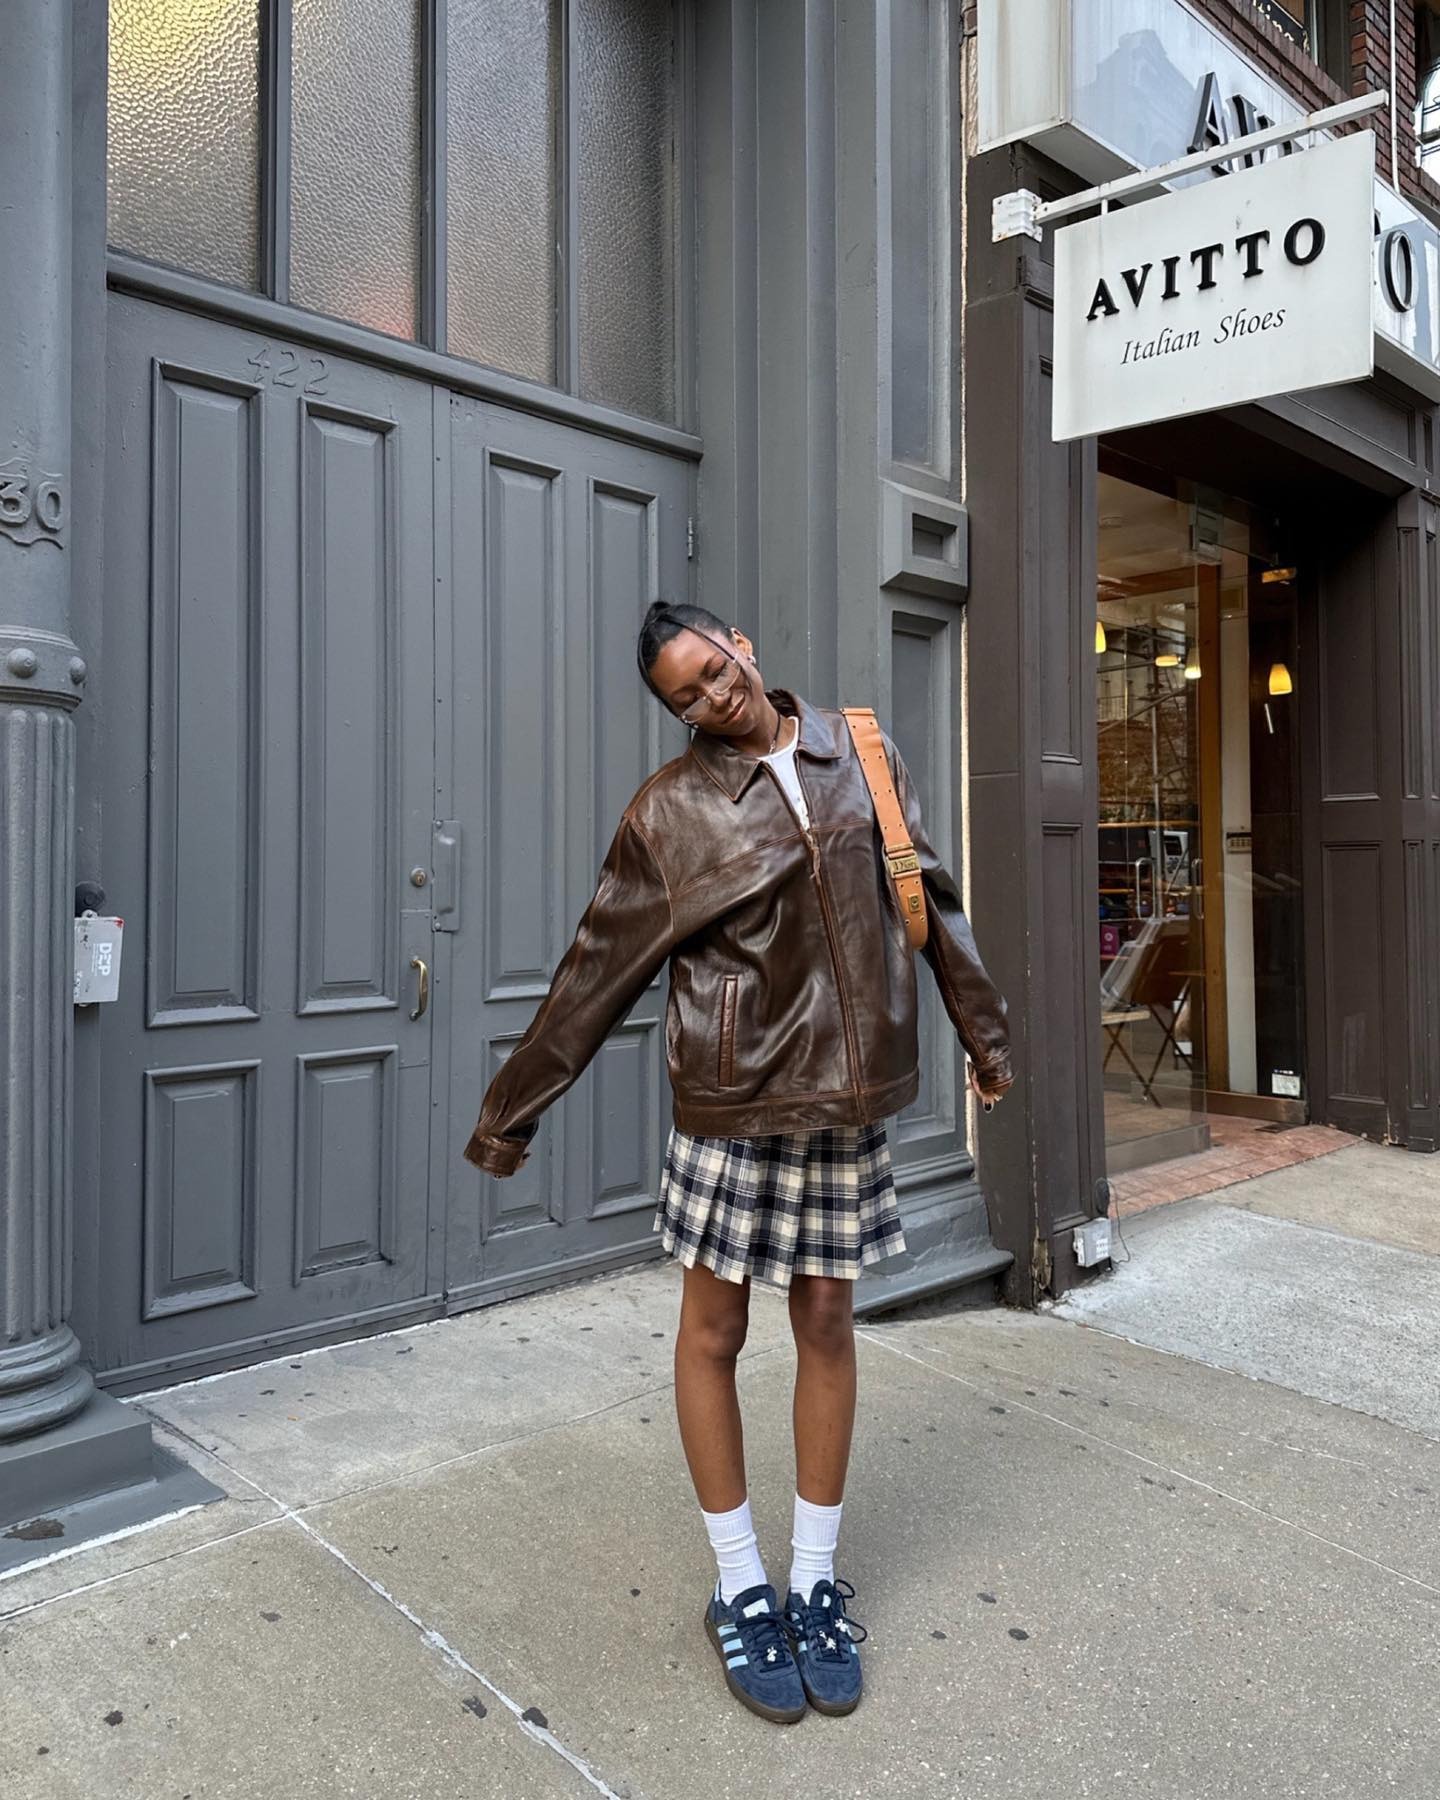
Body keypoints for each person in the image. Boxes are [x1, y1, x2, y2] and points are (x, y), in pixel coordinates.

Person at [464, 601, 1012, 1725]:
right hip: (734, 1102)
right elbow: (594, 973)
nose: (713, 699)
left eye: (714, 671)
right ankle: (740, 1585)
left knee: (828, 1324)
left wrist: (986, 1039)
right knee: (713, 1333)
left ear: (744, 647)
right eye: (687, 697)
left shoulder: (862, 751)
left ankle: (812, 1580)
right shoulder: (669, 812)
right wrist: (508, 1117)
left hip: (846, 1099)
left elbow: (930, 903)